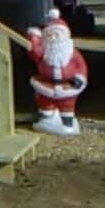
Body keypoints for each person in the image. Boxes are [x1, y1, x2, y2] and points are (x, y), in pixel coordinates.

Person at [27, 8, 88, 136]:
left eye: (57, 35)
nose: (53, 38)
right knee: (45, 104)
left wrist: (80, 79)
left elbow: (82, 66)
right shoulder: (44, 51)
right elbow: (33, 50)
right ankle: (47, 119)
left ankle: (67, 123)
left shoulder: (72, 52)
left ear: (65, 35)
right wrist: (34, 34)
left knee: (67, 106)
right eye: (50, 35)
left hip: (67, 86)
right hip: (47, 85)